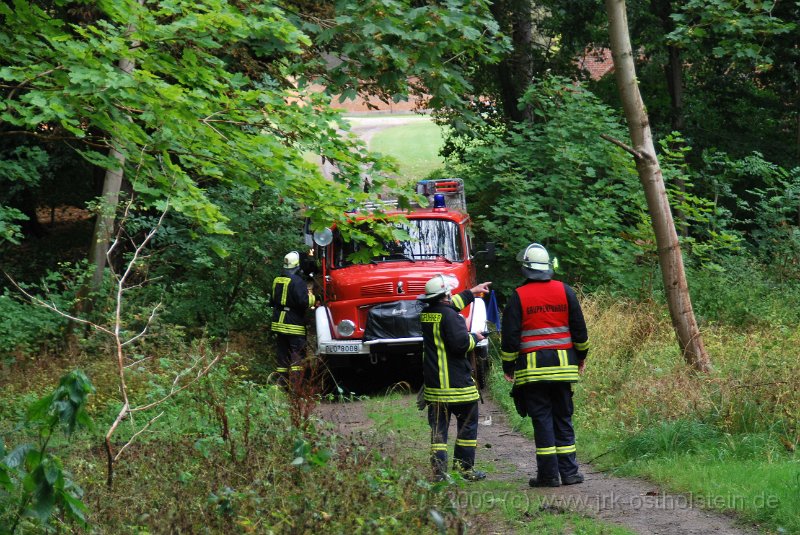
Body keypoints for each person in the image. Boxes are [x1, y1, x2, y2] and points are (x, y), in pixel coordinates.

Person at [500, 243, 589, 487]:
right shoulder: (566, 291)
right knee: (563, 418)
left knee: (542, 420)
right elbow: (579, 330)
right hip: (563, 368)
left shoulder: (518, 296)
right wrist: (581, 356)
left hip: (533, 370)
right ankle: (570, 473)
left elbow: (510, 337)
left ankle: (549, 476)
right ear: (548, 267)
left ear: (526, 268)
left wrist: (508, 367)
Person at [418, 274, 492, 482]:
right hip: (458, 386)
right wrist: (474, 338)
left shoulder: (427, 314)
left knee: (439, 433)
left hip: (435, 389)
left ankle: (439, 474)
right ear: (446, 295)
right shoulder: (452, 317)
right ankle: (464, 469)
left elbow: (449, 308)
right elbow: (460, 345)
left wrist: (471, 292)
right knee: (467, 427)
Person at [271, 251, 315, 386]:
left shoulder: (277, 279)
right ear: (298, 266)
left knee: (282, 355)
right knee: (297, 354)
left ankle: (281, 384)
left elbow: (272, 301)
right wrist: (312, 297)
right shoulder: (298, 281)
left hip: (278, 322)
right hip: (293, 323)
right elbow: (303, 302)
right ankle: (297, 387)